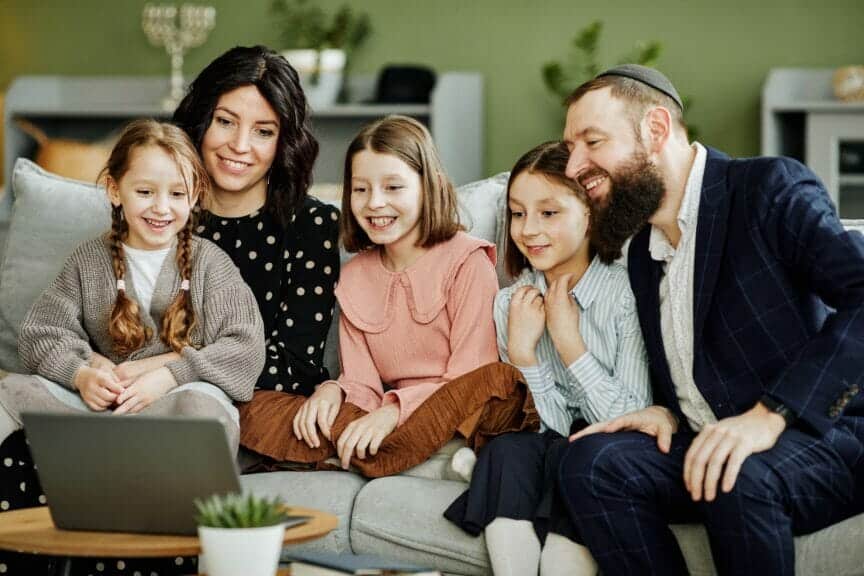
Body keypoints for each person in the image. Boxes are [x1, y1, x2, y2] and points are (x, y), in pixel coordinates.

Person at [557, 64, 864, 575]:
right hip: (708, 440)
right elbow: (698, 363)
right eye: (570, 148)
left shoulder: (767, 189)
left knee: (735, 472)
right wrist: (665, 411)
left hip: (822, 435)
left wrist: (769, 417)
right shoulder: (641, 252)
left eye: (592, 141)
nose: (573, 167)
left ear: (655, 130)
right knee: (589, 466)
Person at [0, 119, 266, 575]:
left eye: (177, 195)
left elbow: (245, 348)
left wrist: (170, 374)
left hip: (175, 408)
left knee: (202, 413)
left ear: (195, 195)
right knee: (10, 393)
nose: (162, 208)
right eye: (145, 192)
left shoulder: (210, 264)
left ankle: (180, 549)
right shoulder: (89, 260)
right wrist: (83, 373)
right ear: (114, 190)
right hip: (101, 408)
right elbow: (42, 332)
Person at [242, 115, 538, 476]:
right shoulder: (354, 275)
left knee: (498, 384)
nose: (374, 203)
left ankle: (377, 455)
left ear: (427, 188)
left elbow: (470, 373)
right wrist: (332, 392)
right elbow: (362, 384)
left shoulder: (468, 260)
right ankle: (402, 457)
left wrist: (395, 411)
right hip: (385, 416)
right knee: (255, 409)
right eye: (361, 189)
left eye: (393, 187)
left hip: (454, 403)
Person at [444, 141, 651, 576]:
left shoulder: (624, 294)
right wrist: (524, 355)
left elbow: (632, 418)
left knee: (579, 451)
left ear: (590, 213)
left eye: (549, 213)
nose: (528, 229)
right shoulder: (510, 305)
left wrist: (568, 343)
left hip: (607, 449)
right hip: (548, 444)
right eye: (518, 213)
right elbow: (538, 425)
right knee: (509, 449)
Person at [171, 46, 340, 460]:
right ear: (200, 120)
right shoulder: (161, 210)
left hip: (250, 418)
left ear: (284, 140)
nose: (240, 146)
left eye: (264, 131)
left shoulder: (311, 225)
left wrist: (167, 370)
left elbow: (294, 369)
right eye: (225, 122)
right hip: (148, 405)